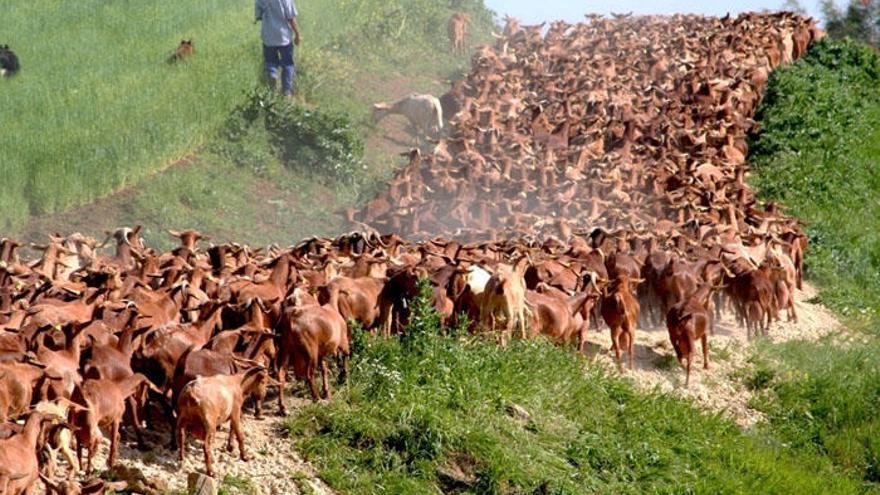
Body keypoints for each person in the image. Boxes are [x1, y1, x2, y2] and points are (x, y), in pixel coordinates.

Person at [255, 0, 301, 97]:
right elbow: (291, 18)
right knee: (287, 64)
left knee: (270, 61)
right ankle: (286, 91)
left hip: (268, 36)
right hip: (284, 37)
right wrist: (297, 34)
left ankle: (272, 73)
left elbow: (258, 16)